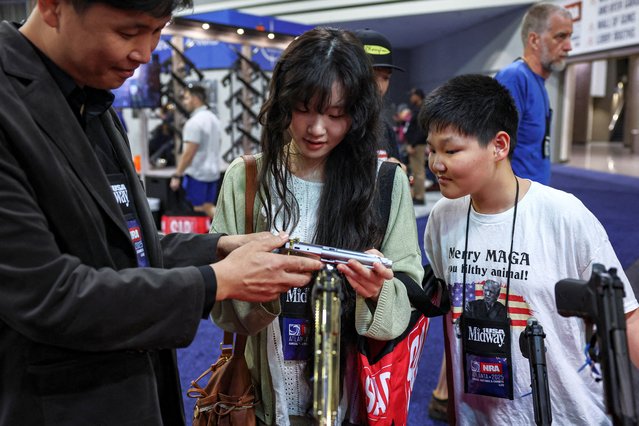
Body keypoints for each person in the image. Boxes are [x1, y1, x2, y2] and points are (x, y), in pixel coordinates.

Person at [0, 1, 322, 425]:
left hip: (138, 388)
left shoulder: (89, 98)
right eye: (130, 31)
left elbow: (120, 246)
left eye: (157, 31)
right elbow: (47, 293)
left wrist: (219, 249)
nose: (146, 52)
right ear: (54, 6)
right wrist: (216, 281)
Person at [210, 27, 423, 425]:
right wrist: (260, 284)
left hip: (353, 399)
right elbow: (223, 310)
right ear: (283, 103)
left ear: (356, 114)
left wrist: (378, 292)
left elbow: (407, 298)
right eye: (304, 108)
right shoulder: (248, 178)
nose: (317, 129)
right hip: (262, 399)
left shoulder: (383, 181)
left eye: (336, 114)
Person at [420, 74, 639, 425]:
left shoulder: (564, 215)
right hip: (478, 415)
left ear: (499, 146)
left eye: (451, 150)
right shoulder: (443, 218)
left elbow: (627, 317)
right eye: (432, 150)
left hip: (570, 414)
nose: (436, 164)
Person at [494, 3, 573, 185]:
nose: (569, 46)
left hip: (533, 198)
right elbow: (493, 151)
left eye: (570, 37)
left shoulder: (537, 82)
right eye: (560, 37)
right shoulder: (514, 78)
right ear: (534, 40)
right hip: (516, 204)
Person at [353, 28, 404, 168]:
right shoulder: (332, 126)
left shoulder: (384, 128)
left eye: (386, 78)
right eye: (371, 75)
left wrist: (397, 172)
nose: (379, 86)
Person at [169, 84, 221, 217]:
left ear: (196, 99)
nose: (184, 102)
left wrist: (177, 175)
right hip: (213, 173)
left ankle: (232, 231)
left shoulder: (194, 122)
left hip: (197, 175)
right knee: (208, 207)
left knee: (198, 210)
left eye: (186, 98)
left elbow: (188, 153)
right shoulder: (214, 119)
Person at [405, 87, 428, 204]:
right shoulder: (417, 108)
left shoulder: (422, 109)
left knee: (418, 171)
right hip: (415, 144)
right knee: (415, 171)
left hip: (417, 145)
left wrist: (412, 144)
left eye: (412, 95)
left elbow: (421, 130)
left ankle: (419, 197)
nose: (411, 97)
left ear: (418, 96)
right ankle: (417, 195)